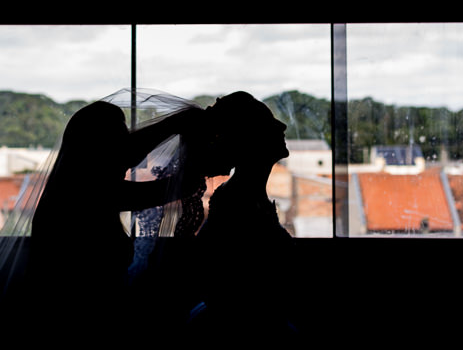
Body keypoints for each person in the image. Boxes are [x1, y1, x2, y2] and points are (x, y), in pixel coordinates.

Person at [24, 97, 206, 338]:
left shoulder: (70, 187)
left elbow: (128, 153)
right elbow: (165, 184)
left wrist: (178, 124)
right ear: (98, 148)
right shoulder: (87, 191)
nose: (125, 149)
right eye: (118, 139)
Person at [186, 91, 297, 339]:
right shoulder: (237, 202)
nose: (282, 125)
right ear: (249, 140)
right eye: (268, 121)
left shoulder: (246, 194)